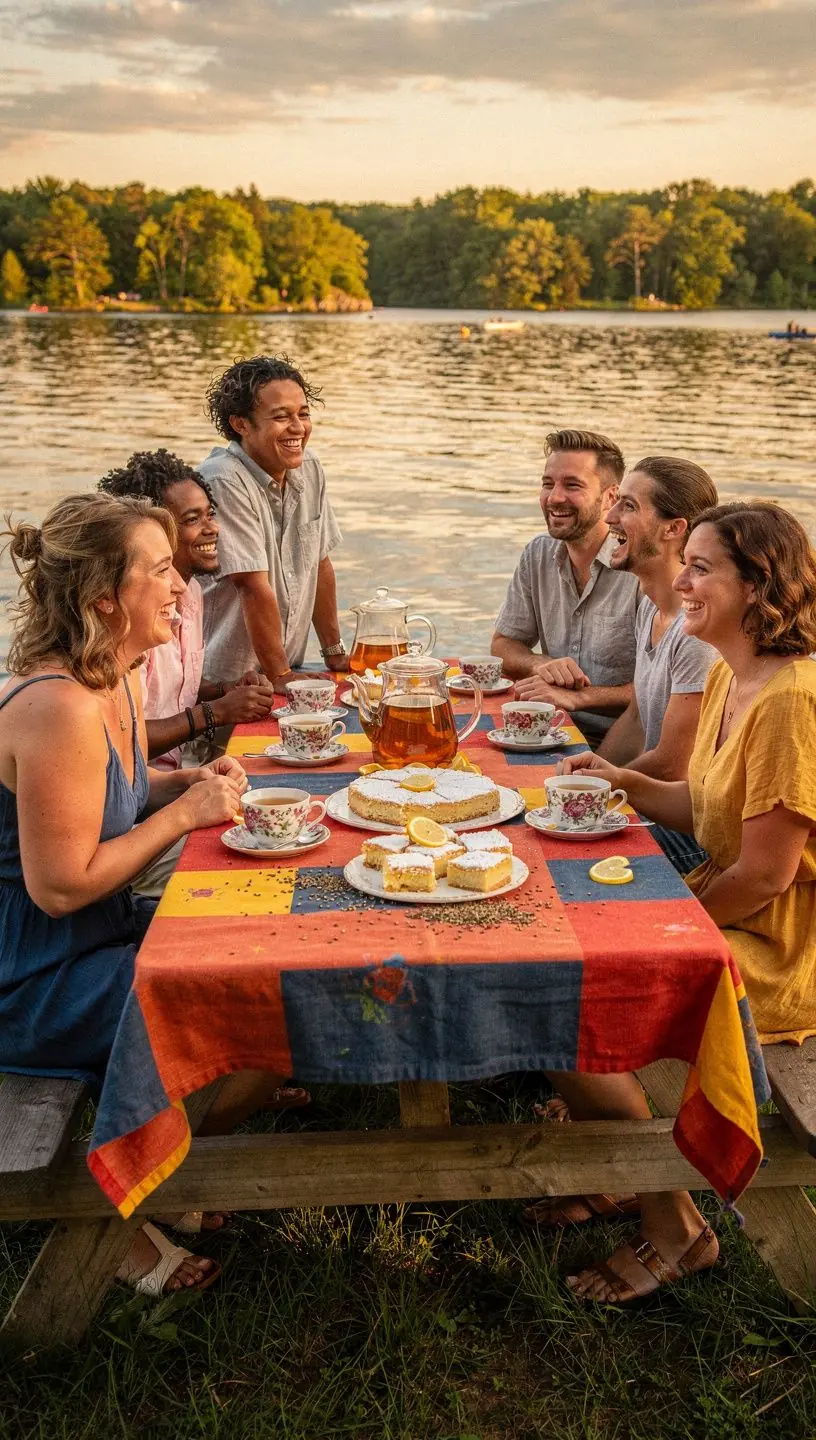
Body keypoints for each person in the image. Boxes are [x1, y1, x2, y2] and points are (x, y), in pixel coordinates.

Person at [525, 501, 816, 1305]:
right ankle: (624, 1171)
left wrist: (667, 925)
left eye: (701, 569)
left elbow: (765, 874)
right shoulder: (729, 670)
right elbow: (708, 805)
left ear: (757, 586)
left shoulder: (792, 701)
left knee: (572, 995)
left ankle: (678, 1228)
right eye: (684, 565)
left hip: (779, 948)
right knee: (556, 953)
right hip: (729, 911)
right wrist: (623, 781)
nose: (680, 582)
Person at [0, 494, 287, 1296]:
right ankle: (117, 1209)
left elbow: (106, 798)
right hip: (33, 978)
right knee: (249, 1004)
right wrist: (185, 817)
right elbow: (60, 887)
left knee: (266, 946)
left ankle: (160, 1166)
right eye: (159, 571)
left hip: (96, 936)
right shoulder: (57, 706)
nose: (181, 586)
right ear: (104, 598)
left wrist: (179, 784)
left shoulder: (113, 677)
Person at [99, 450, 275, 769]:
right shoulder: (129, 615)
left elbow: (173, 690)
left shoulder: (191, 592)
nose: (213, 528)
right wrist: (216, 712)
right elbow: (123, 739)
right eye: (193, 520)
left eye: (210, 514)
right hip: (141, 786)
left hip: (173, 775)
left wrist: (224, 691)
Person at [596, 456, 719, 871]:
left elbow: (672, 764)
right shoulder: (650, 608)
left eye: (628, 506)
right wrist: (589, 781)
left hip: (695, 832)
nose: (609, 517)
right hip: (652, 799)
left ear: (673, 528)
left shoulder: (696, 635)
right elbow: (635, 720)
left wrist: (594, 792)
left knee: (569, 849)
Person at [198, 355, 346, 694]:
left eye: (303, 414)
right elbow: (251, 584)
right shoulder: (222, 480)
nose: (298, 428)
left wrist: (334, 652)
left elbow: (320, 564)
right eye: (281, 417)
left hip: (286, 670)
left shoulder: (309, 467)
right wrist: (280, 676)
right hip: (225, 684)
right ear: (241, 424)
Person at [491, 428, 640, 746]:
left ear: (611, 497)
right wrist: (540, 664)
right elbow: (503, 644)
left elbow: (663, 688)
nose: (554, 497)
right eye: (548, 484)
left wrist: (580, 697)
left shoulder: (639, 568)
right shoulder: (538, 553)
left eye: (572, 485)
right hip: (549, 730)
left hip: (621, 744)